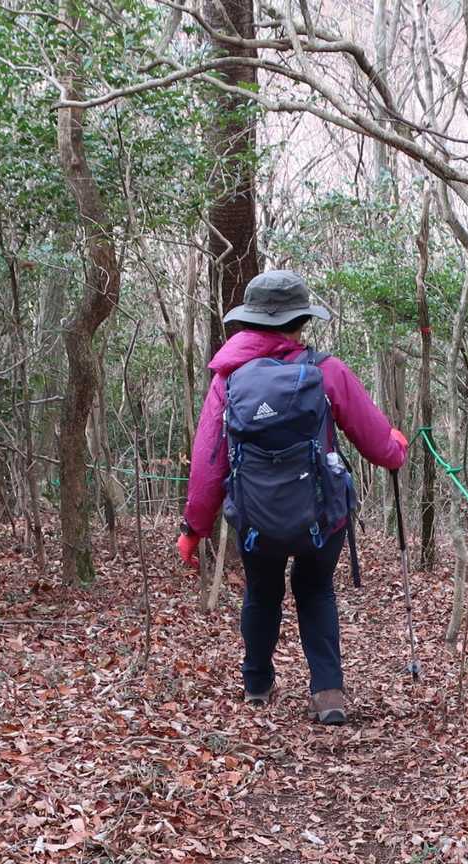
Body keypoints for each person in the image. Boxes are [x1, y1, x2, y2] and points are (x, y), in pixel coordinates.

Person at [178, 270, 408, 725]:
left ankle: (257, 685)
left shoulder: (228, 379)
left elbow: (208, 462)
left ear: (249, 321)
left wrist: (194, 528)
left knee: (262, 593)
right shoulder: (327, 371)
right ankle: (328, 693)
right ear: (300, 320)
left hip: (255, 519)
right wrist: (395, 448)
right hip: (321, 517)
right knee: (316, 590)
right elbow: (377, 442)